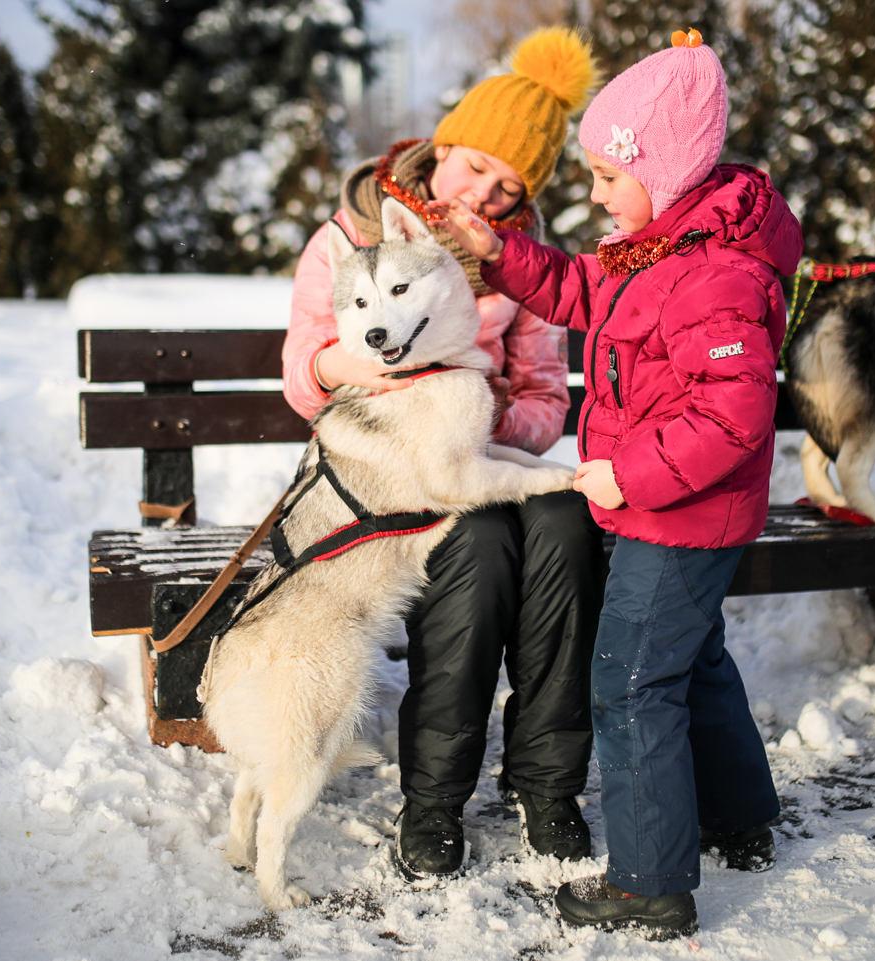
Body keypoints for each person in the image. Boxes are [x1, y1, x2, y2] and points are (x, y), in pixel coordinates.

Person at [428, 29, 802, 938]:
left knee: (632, 683)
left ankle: (649, 882)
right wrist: (499, 248)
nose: (592, 194)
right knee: (694, 660)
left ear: (664, 170)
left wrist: (623, 476)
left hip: (678, 514)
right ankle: (743, 818)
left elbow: (732, 418)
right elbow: (582, 291)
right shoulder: (659, 245)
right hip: (670, 509)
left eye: (606, 173)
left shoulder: (713, 274)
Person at [282, 27, 607, 881]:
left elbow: (546, 393)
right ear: (446, 143)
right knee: (477, 548)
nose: (489, 194)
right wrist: (356, 366)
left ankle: (547, 784)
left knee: (569, 529)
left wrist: (487, 427)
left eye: (510, 186)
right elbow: (301, 375)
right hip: (398, 470)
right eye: (478, 168)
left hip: (484, 448)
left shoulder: (523, 264)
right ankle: (435, 795)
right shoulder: (351, 232)